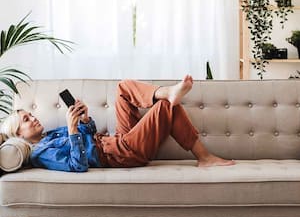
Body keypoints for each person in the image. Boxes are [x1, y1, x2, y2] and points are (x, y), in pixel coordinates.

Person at [0, 75, 235, 172]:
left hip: (117, 142)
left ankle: (167, 91)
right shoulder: (41, 154)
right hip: (119, 154)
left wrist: (84, 119)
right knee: (166, 107)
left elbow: (88, 134)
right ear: (18, 134)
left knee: (123, 88)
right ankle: (204, 158)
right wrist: (72, 131)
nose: (33, 117)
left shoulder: (49, 135)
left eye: (29, 115)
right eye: (26, 120)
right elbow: (78, 166)